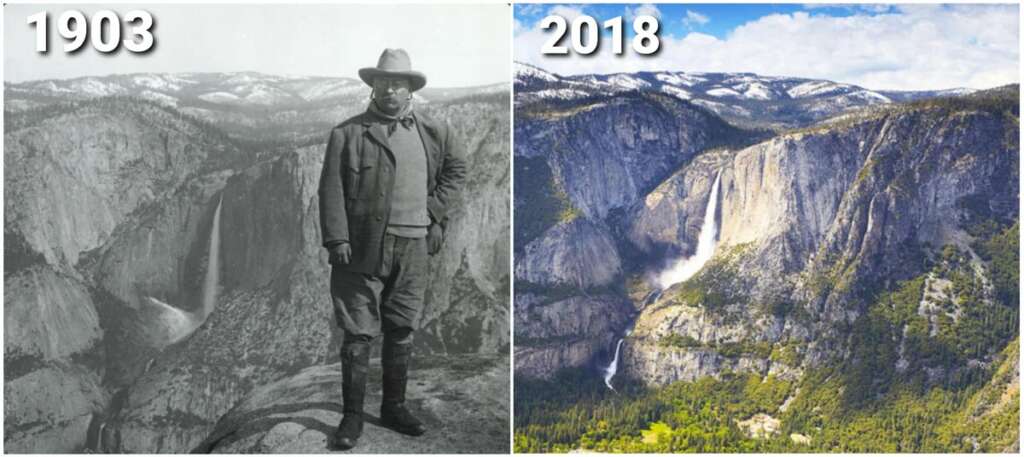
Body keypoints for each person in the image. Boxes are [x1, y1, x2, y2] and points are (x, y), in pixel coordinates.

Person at [317, 48, 466, 450]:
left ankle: (393, 408)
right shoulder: (347, 134)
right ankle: (351, 417)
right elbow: (330, 189)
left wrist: (433, 211)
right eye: (382, 84)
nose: (389, 91)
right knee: (358, 333)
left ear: (410, 90)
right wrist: (337, 239)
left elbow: (457, 171)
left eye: (397, 84)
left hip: (413, 245)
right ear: (373, 87)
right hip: (362, 248)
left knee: (401, 328)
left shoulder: (432, 132)